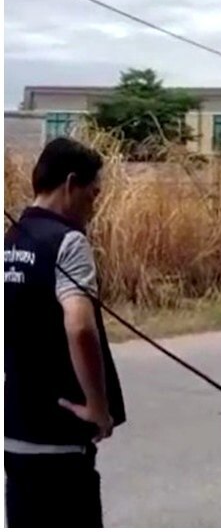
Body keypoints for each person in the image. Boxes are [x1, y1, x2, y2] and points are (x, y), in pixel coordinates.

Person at [4, 138, 126, 528]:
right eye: (93, 194)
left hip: (16, 434)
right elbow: (80, 327)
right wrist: (97, 408)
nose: (95, 205)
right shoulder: (69, 242)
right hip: (60, 440)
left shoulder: (11, 242)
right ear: (71, 184)